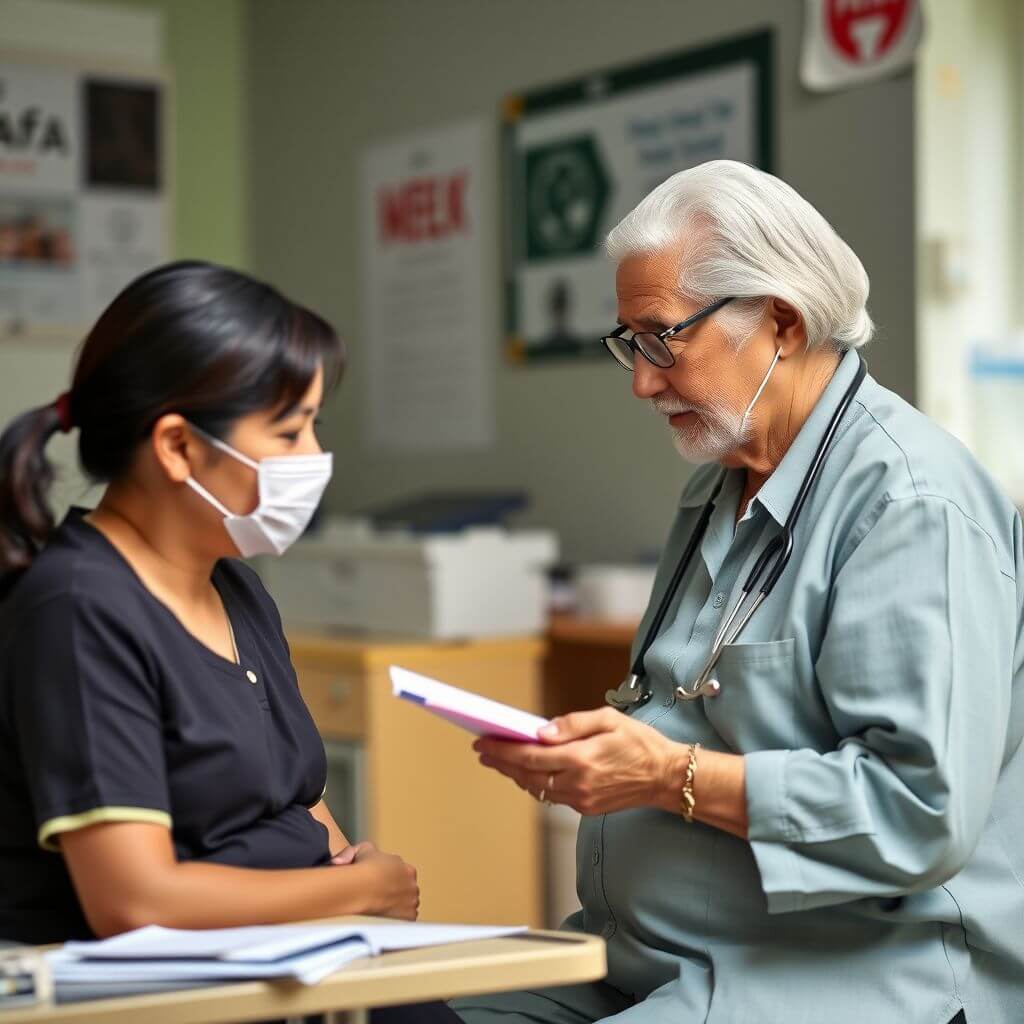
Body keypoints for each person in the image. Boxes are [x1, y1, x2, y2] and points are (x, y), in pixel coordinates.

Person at [454, 161, 1023, 1023]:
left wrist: (663, 775)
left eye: (660, 338)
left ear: (782, 323)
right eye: (628, 344)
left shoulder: (911, 507)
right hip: (640, 954)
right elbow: (683, 702)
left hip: (840, 970)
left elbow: (918, 810)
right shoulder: (721, 483)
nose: (640, 382)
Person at [0, 261, 421, 945]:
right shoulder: (78, 610)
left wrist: (353, 877)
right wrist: (358, 890)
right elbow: (134, 901)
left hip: (306, 962)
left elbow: (299, 809)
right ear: (178, 447)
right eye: (288, 434)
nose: (313, 457)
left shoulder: (236, 588)